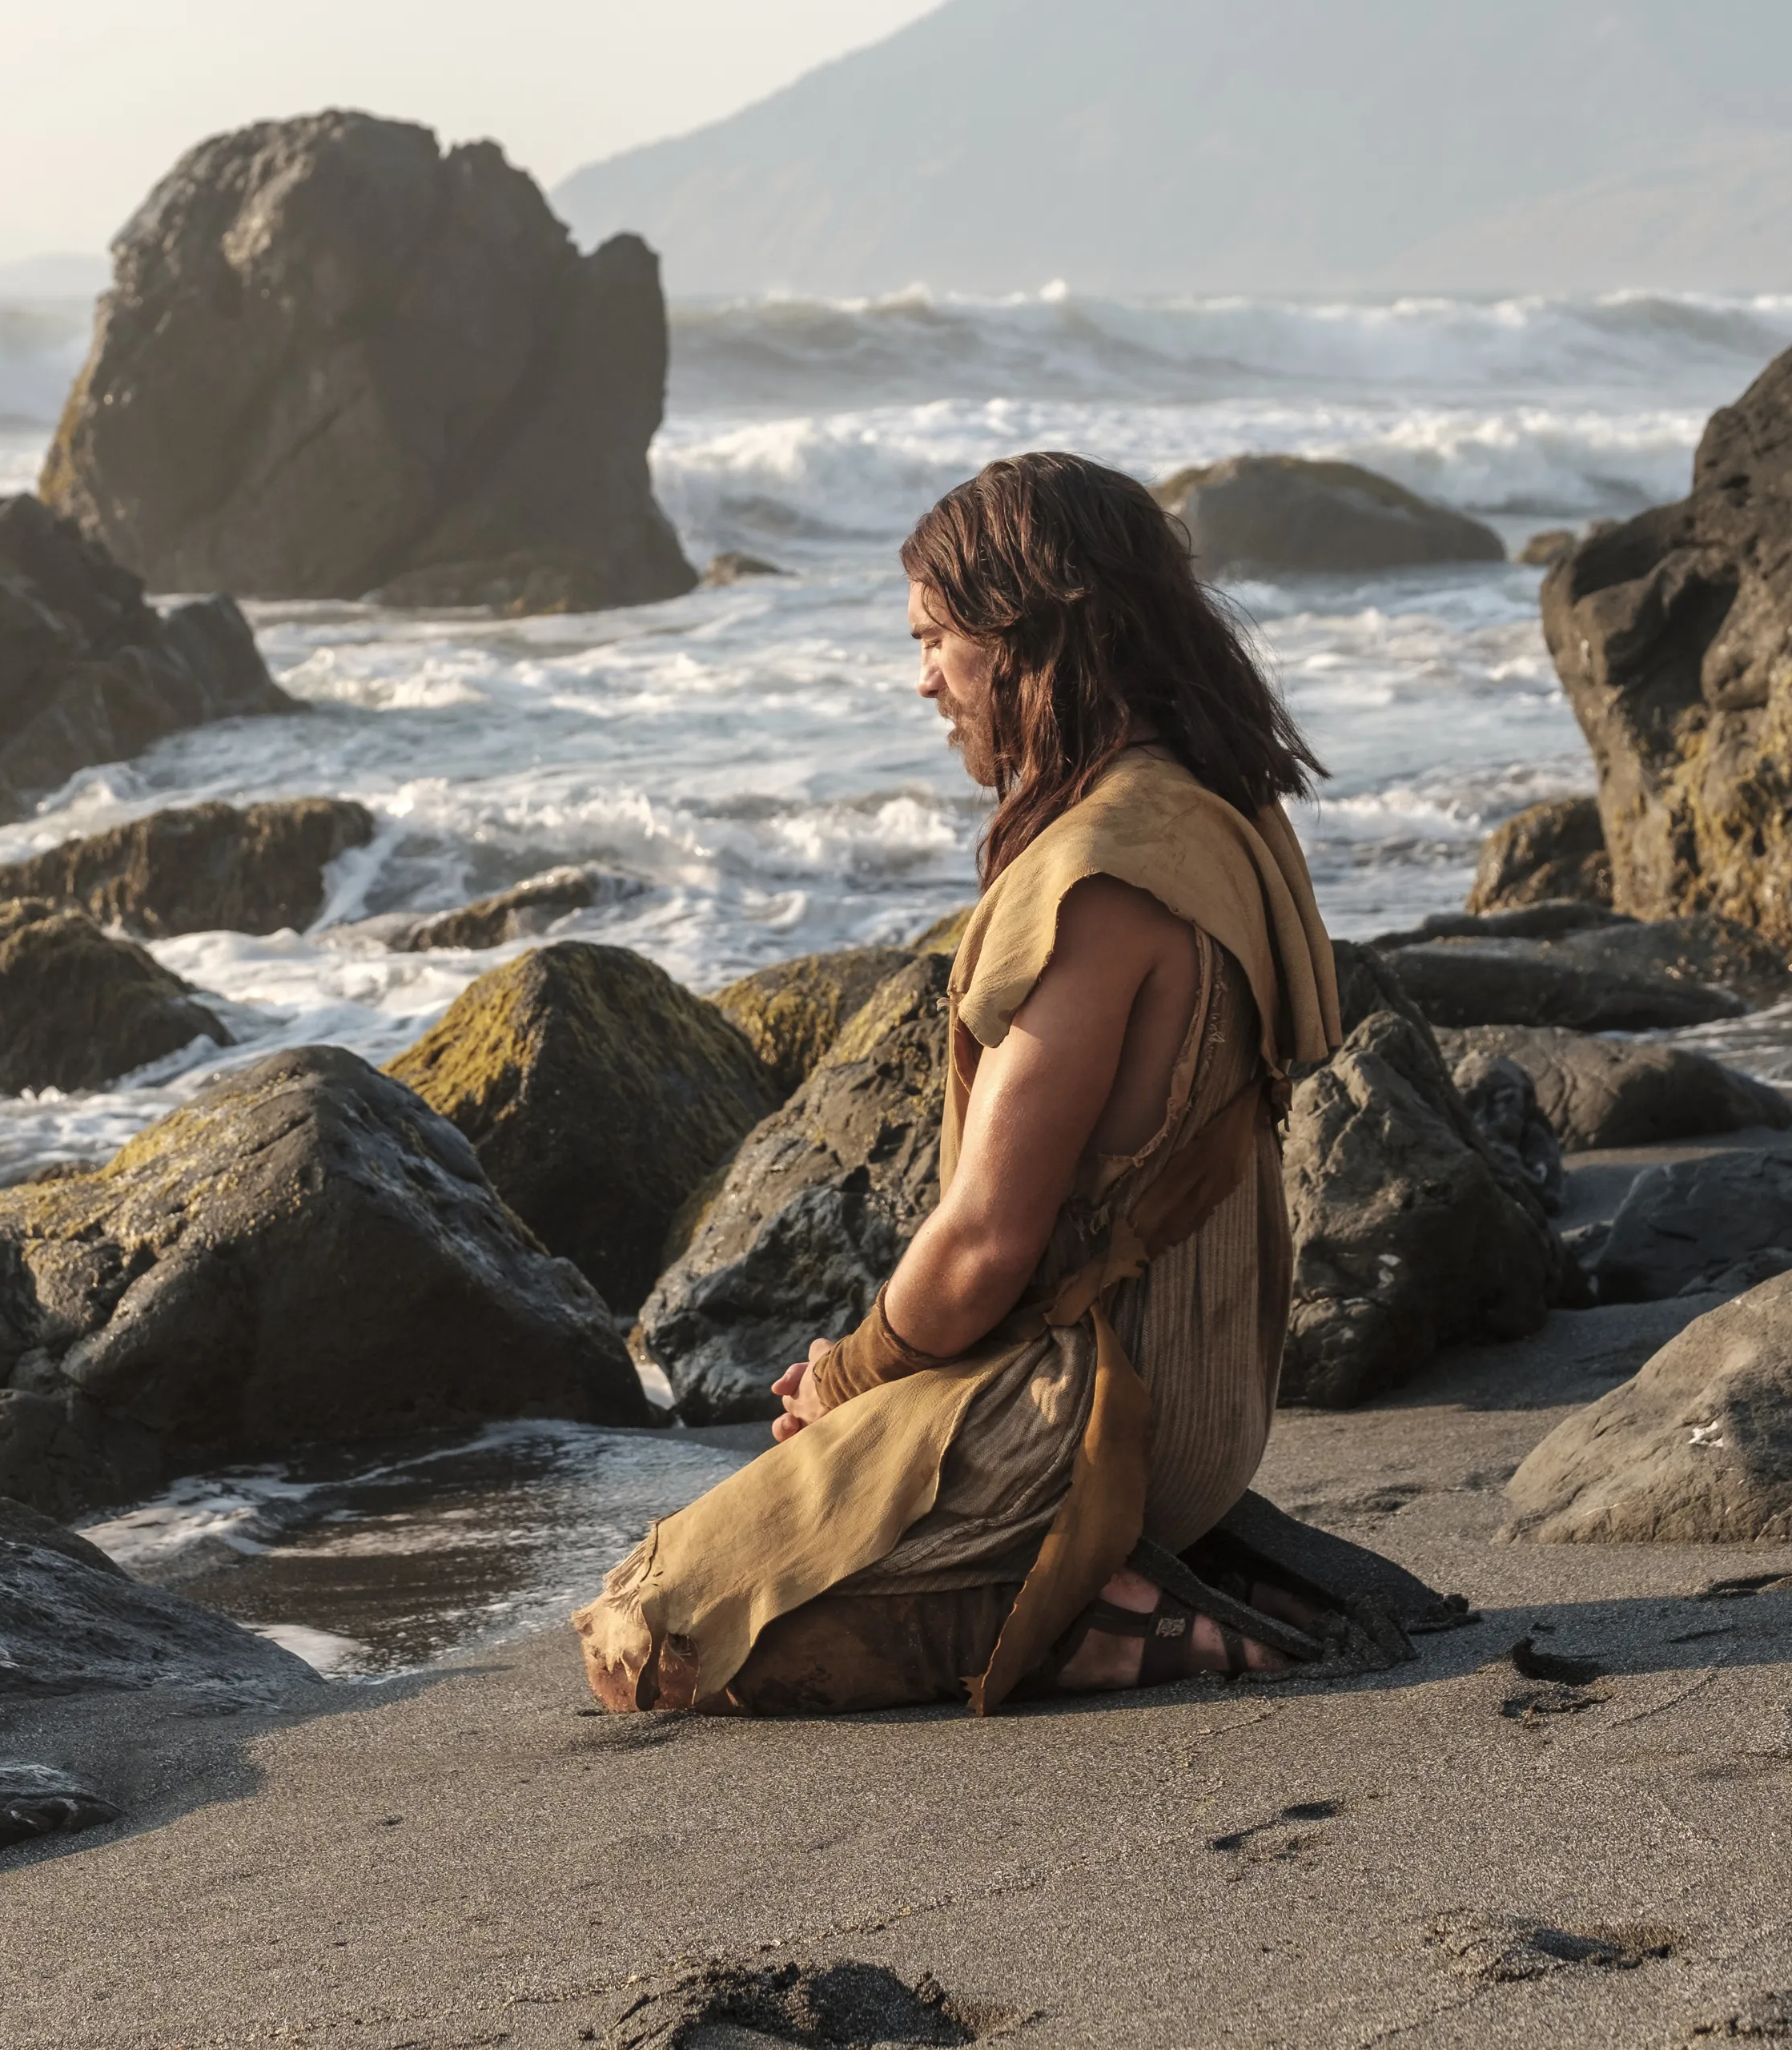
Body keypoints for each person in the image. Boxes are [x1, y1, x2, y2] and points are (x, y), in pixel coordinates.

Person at [575, 451, 1344, 1717]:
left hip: (1097, 1429)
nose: (924, 678)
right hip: (1206, 1400)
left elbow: (987, 1242)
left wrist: (847, 1379)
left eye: (937, 638)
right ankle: (1108, 1590)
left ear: (1031, 635)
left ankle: (1093, 1617)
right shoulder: (1223, 816)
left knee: (647, 1632)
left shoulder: (1098, 877)